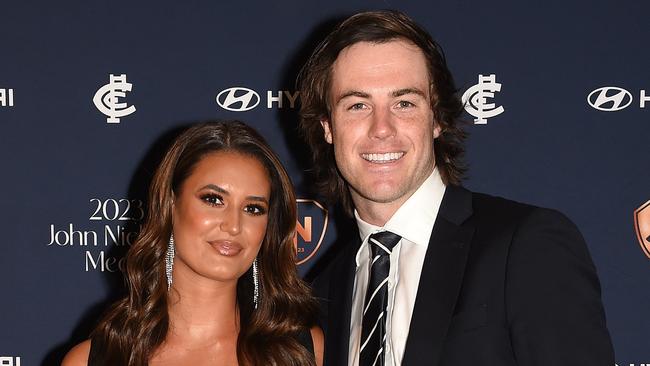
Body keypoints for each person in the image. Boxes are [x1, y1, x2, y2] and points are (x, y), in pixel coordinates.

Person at [298, 10, 614, 366]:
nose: (381, 128)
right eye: (357, 105)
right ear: (327, 126)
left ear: (437, 119)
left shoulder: (525, 244)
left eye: (404, 103)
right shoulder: (324, 290)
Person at [62, 121, 324, 366]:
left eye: (253, 209)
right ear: (170, 206)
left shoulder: (302, 351)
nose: (233, 225)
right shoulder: (95, 360)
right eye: (213, 200)